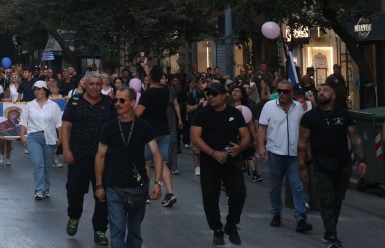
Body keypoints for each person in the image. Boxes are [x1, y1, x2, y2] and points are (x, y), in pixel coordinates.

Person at [298, 83, 367, 248]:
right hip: (320, 165)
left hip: (342, 165)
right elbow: (302, 142)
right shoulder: (309, 117)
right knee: (326, 200)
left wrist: (362, 160)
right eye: (319, 90)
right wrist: (302, 166)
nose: (320, 92)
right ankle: (331, 236)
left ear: (334, 96)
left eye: (325, 90)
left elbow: (355, 138)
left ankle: (329, 230)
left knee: (337, 199)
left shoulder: (344, 115)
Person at [94, 87, 164, 248]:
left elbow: (157, 155)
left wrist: (158, 183)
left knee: (134, 230)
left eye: (122, 100)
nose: (117, 104)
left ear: (132, 103)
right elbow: (100, 156)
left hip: (138, 188)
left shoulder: (144, 126)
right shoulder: (109, 127)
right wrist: (99, 185)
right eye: (115, 100)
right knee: (117, 228)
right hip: (114, 186)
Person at [190, 80, 252, 246]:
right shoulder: (202, 114)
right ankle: (217, 228)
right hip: (210, 162)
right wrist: (212, 153)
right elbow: (195, 137)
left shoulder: (234, 113)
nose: (210, 97)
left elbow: (246, 136)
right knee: (210, 197)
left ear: (224, 96)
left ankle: (231, 224)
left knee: (238, 193)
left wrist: (240, 147)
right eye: (208, 94)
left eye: (214, 94)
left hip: (231, 161)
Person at [61, 71, 116, 243]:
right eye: (91, 84)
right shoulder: (75, 101)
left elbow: (116, 127)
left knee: (102, 194)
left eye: (98, 84)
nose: (94, 87)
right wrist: (66, 150)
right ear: (84, 84)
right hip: (78, 155)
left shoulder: (108, 103)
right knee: (75, 190)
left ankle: (100, 230)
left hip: (103, 156)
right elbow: (65, 127)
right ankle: (74, 216)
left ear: (102, 85)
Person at [257, 79, 311, 232]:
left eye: (285, 91)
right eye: (279, 91)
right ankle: (276, 213)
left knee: (297, 186)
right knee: (275, 188)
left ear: (291, 93)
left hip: (294, 155)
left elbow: (303, 132)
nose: (281, 94)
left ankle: (301, 218)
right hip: (275, 154)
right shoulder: (269, 106)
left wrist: (306, 152)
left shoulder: (298, 108)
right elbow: (262, 128)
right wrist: (261, 147)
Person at [133, 65, 179, 207]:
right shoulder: (166, 91)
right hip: (164, 130)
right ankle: (170, 193)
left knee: (147, 163)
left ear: (150, 78)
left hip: (149, 132)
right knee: (163, 162)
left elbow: (138, 113)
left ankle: (146, 193)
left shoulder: (148, 94)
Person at [19, 80, 64, 200]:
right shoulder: (29, 105)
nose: (37, 91)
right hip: (33, 136)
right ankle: (39, 190)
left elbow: (59, 123)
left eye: (39, 89)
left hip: (49, 137)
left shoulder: (54, 106)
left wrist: (60, 137)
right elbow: (23, 121)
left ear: (45, 90)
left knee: (47, 165)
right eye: (35, 89)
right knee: (38, 163)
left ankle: (46, 188)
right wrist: (22, 136)